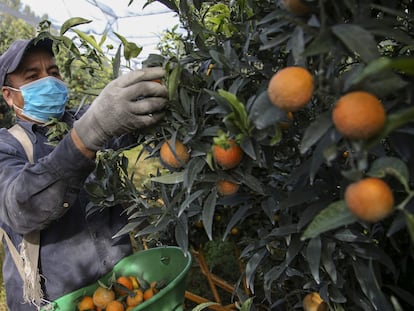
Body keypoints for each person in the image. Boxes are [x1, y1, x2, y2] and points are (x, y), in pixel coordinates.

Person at [0, 36, 168, 310]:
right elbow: (20, 206)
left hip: (117, 290)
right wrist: (85, 138)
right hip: (55, 300)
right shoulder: (7, 146)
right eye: (33, 76)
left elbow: (128, 126)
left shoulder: (78, 120)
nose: (48, 80)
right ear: (8, 94)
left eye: (53, 72)